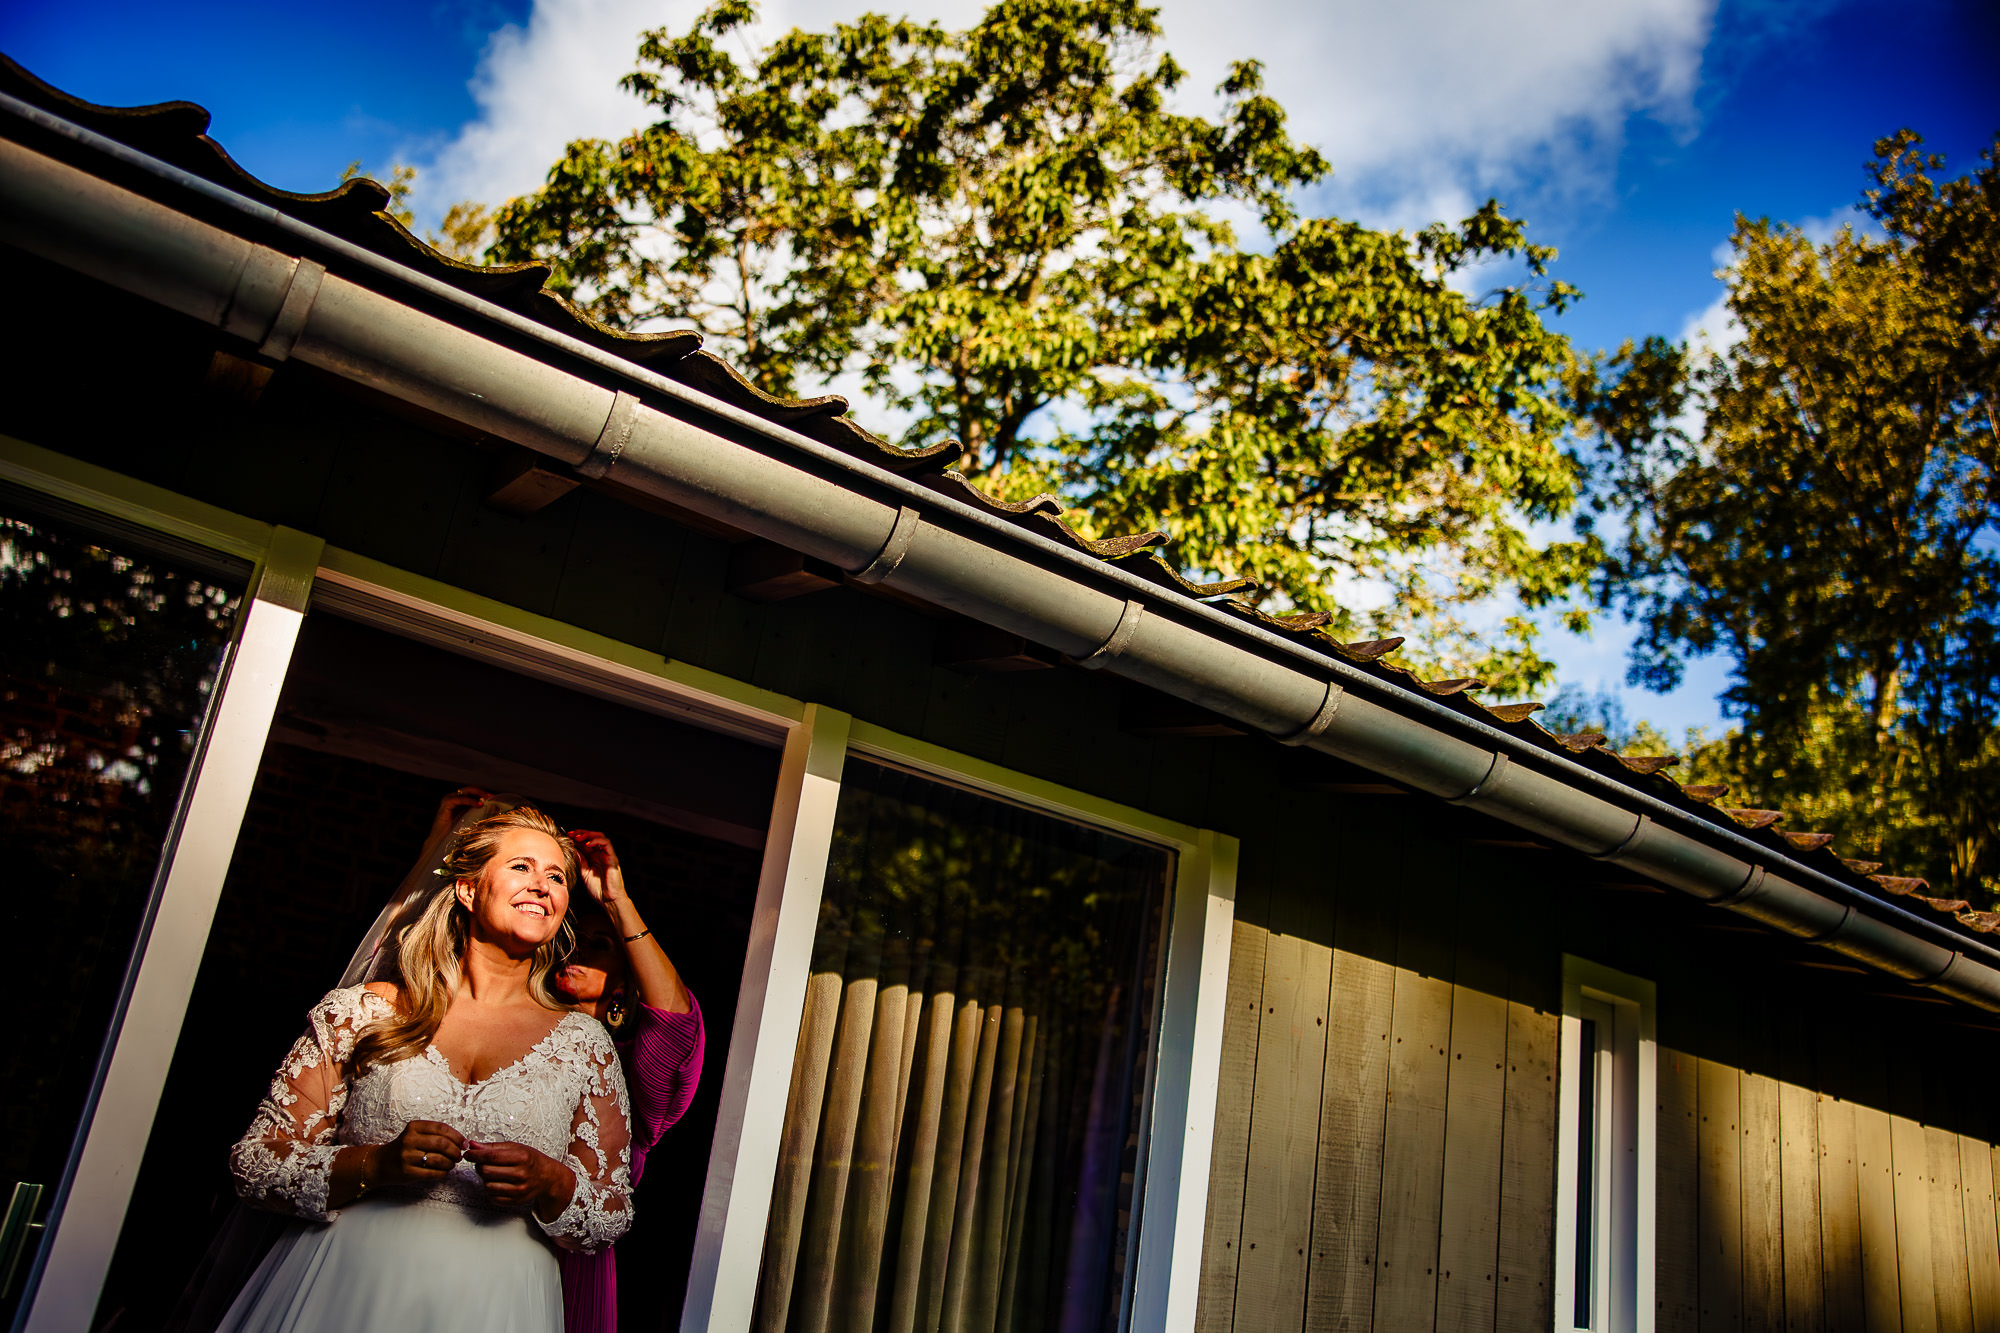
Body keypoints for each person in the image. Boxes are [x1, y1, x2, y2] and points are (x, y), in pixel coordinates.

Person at [217, 806, 634, 1333]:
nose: (542, 886)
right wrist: (377, 1165)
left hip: (496, 1300)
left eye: (556, 876)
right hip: (347, 1282)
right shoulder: (365, 1011)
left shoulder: (584, 1045)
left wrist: (550, 1181)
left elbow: (609, 1214)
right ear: (467, 890)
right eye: (521, 868)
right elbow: (254, 1164)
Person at [552, 827, 706, 1333]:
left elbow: (676, 1021)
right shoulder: (514, 1040)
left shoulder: (628, 1072)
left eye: (598, 944)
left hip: (571, 1268)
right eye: (570, 938)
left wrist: (618, 902)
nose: (575, 951)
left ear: (622, 981)